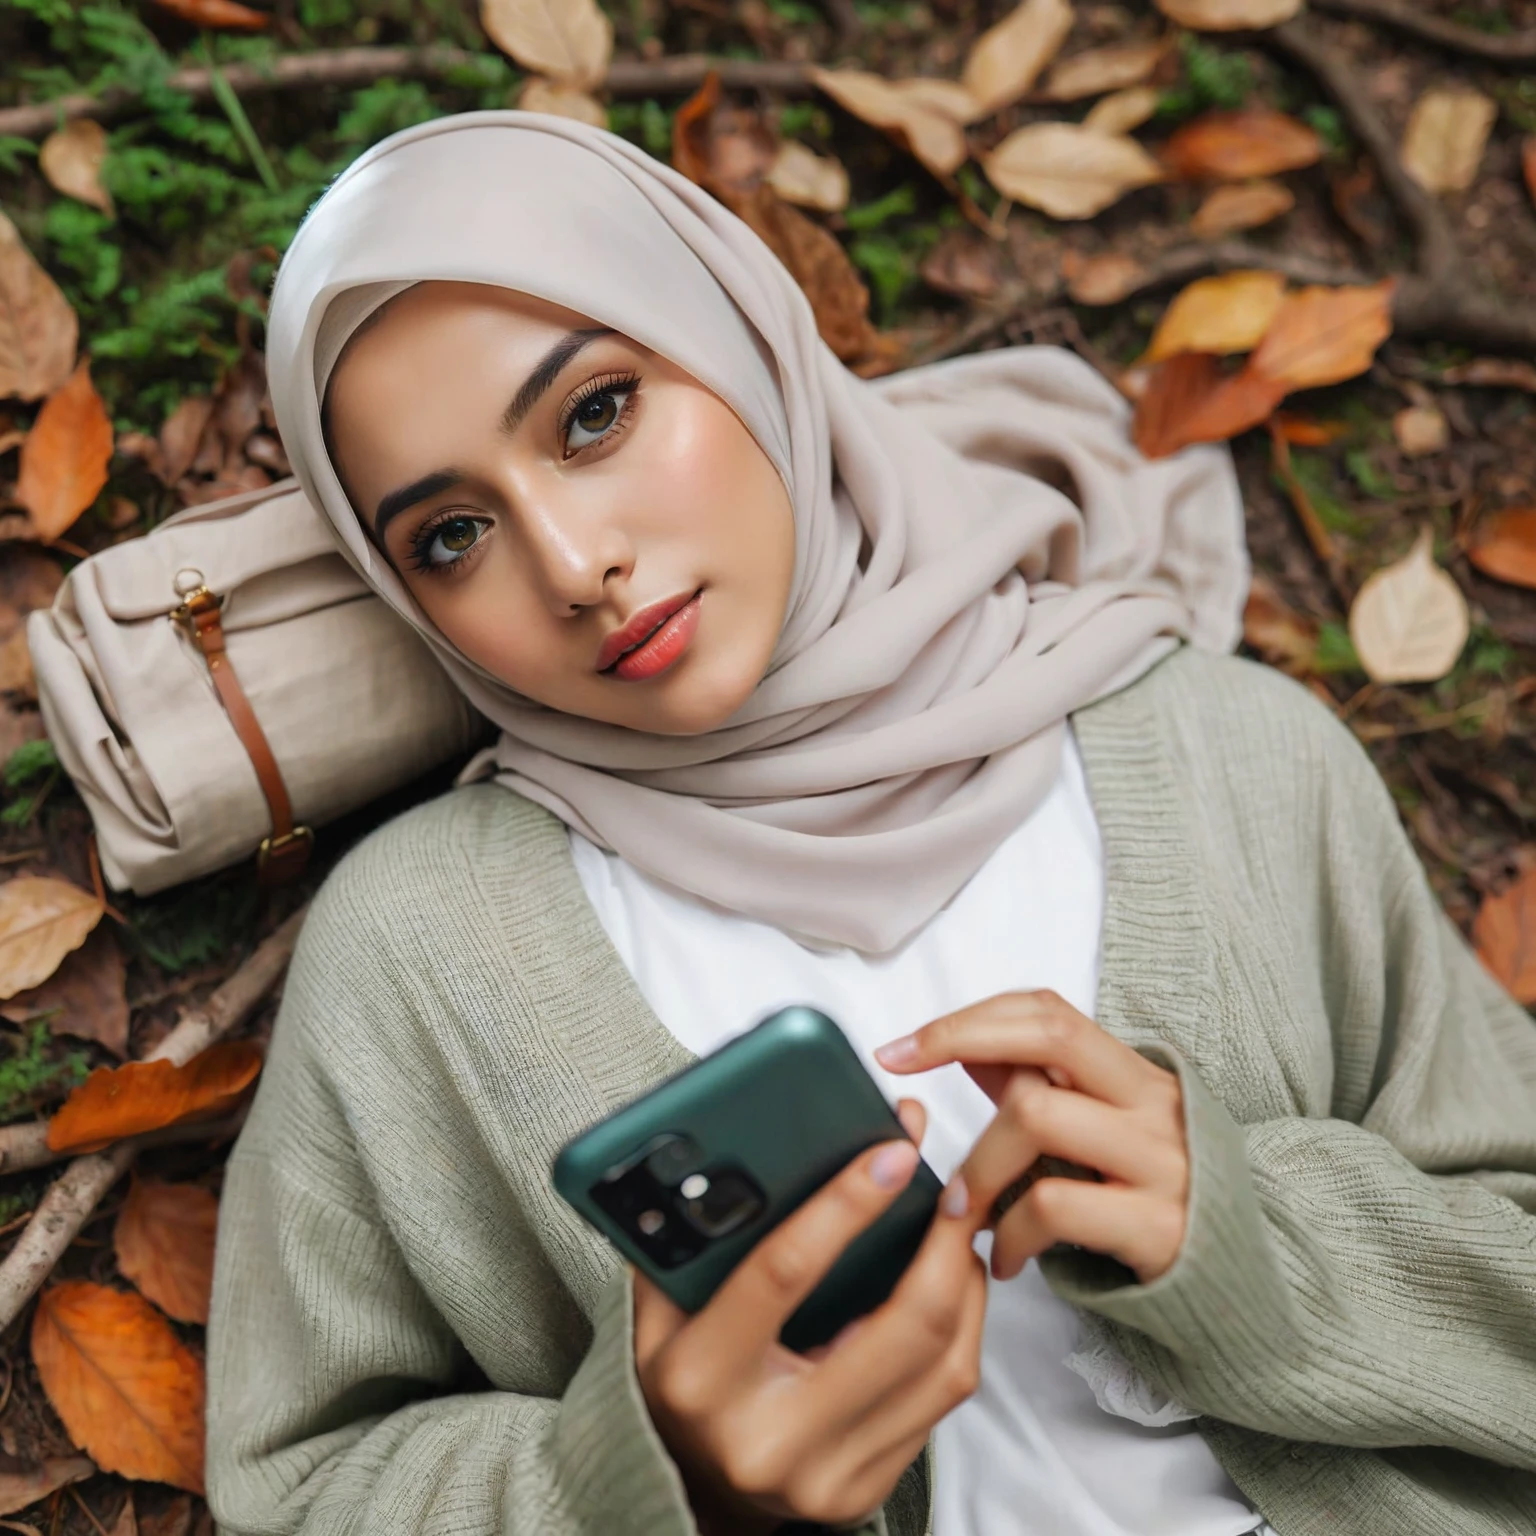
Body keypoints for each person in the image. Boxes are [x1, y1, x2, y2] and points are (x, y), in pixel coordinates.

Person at [204, 112, 1536, 1536]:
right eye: (449, 537)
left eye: (594, 413)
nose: (575, 562)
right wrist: (651, 1480)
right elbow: (302, 1487)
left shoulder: (1230, 756)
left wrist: (1259, 1242)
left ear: (740, 343)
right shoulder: (419, 957)